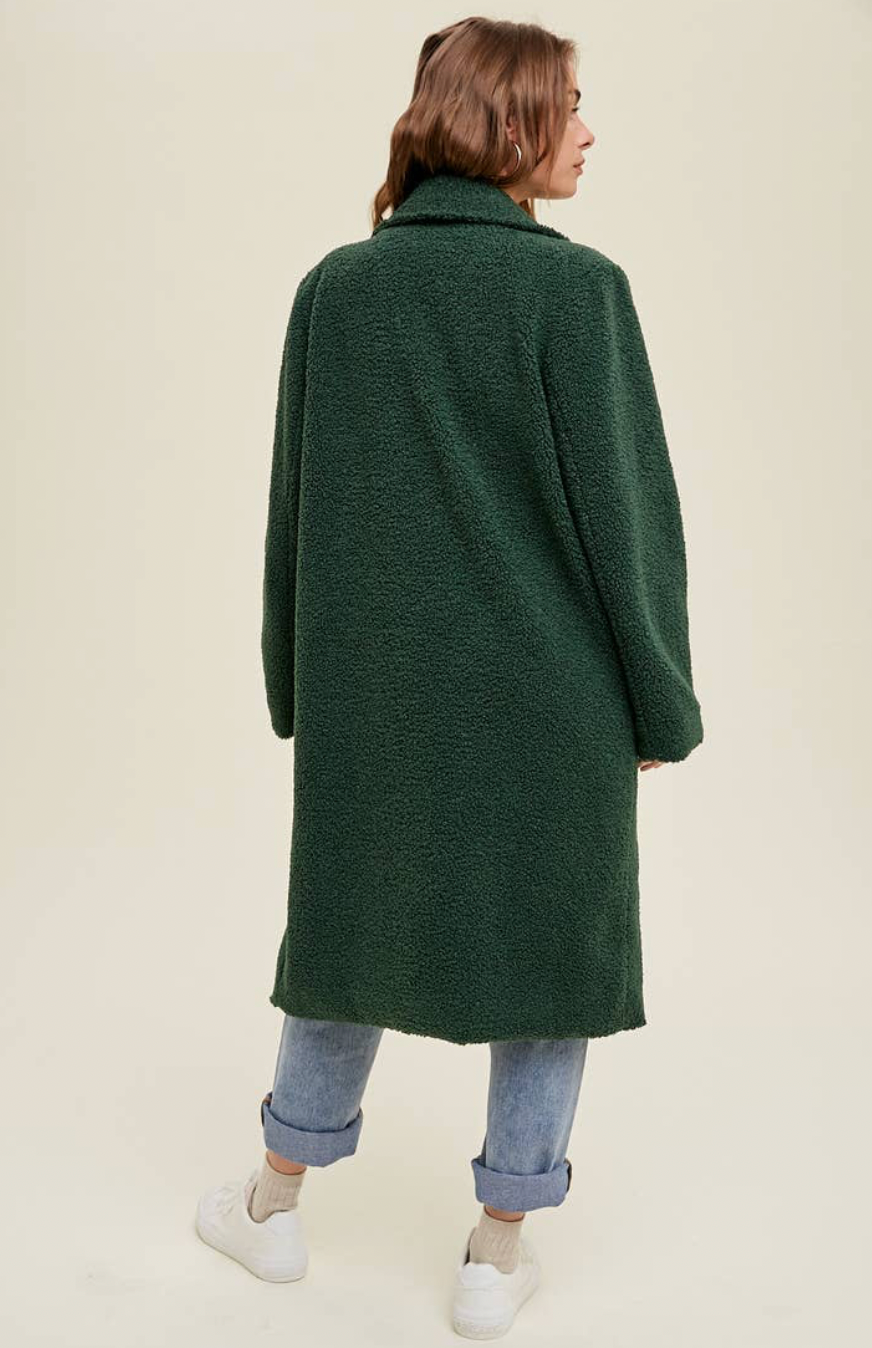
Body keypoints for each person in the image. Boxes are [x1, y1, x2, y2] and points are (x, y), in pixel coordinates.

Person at [195, 15, 704, 1340]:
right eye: (570, 107)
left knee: (346, 943)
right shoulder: (576, 292)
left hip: (376, 707)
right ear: (509, 124)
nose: (589, 133)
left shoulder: (337, 291)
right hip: (556, 705)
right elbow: (627, 523)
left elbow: (295, 516)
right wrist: (660, 699)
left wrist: (297, 688)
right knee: (550, 959)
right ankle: (494, 1253)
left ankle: (271, 1206)